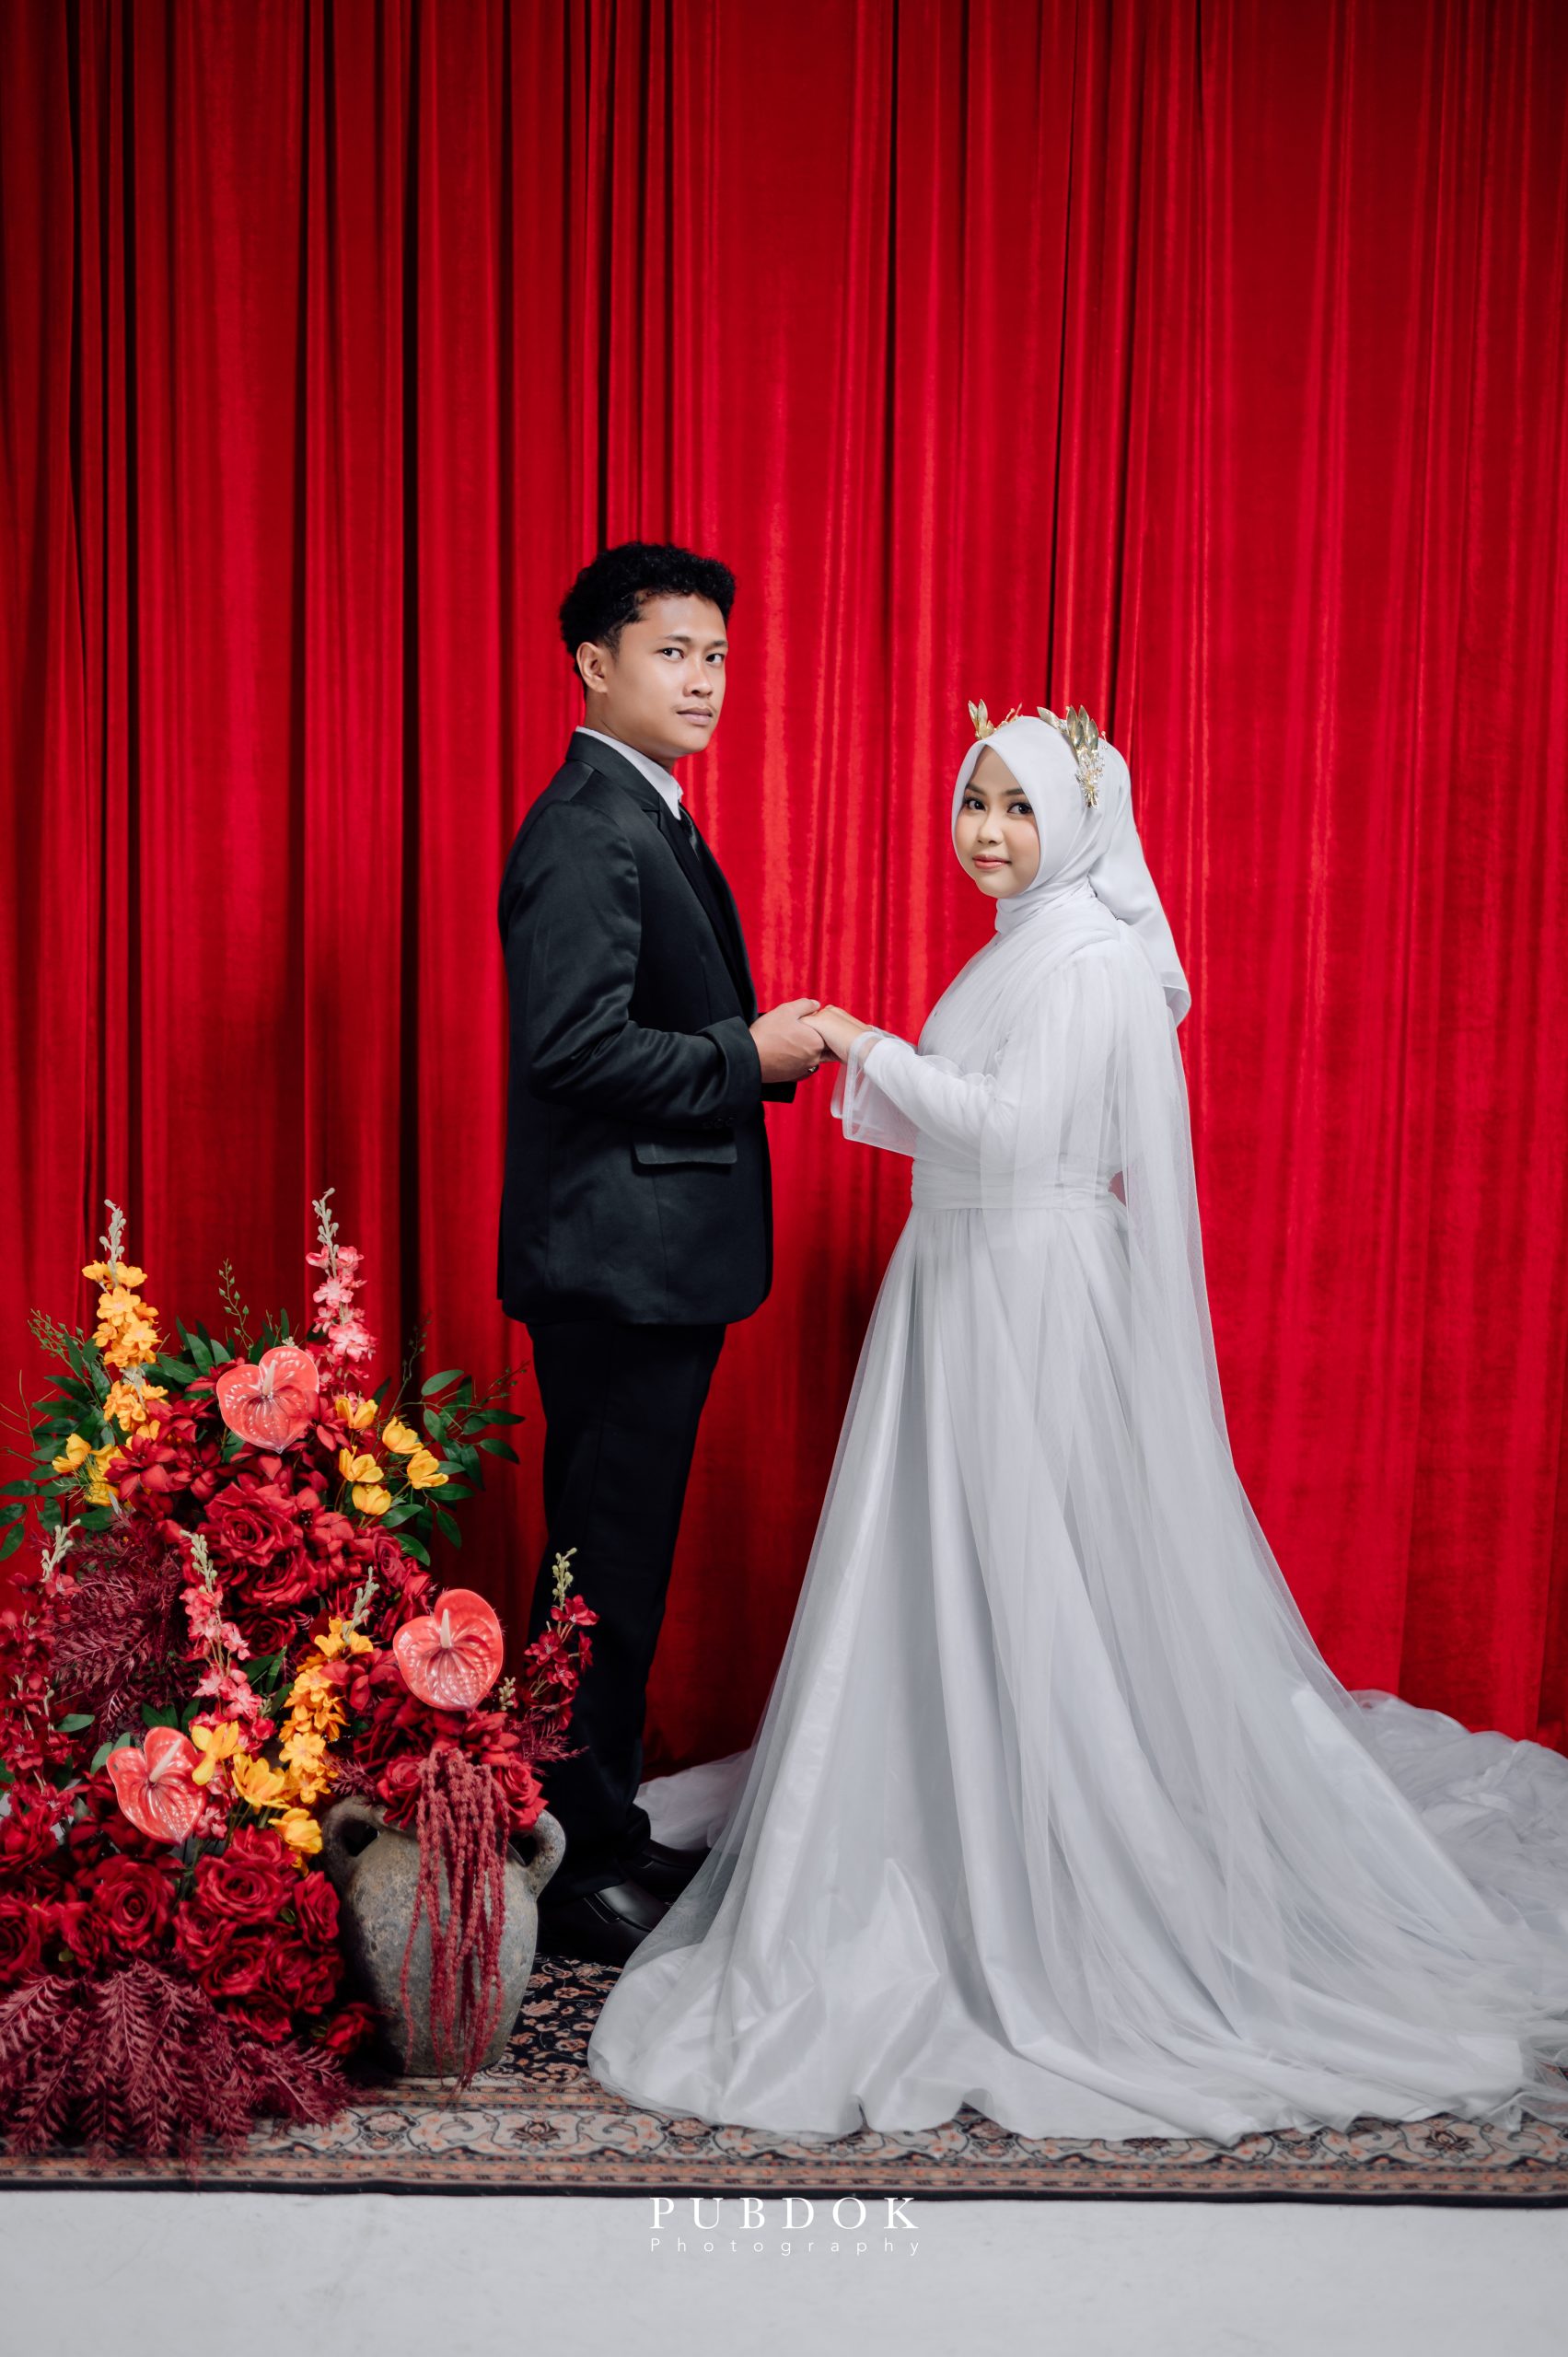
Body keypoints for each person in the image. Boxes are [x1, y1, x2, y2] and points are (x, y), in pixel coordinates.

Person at [585, 709, 1568, 2142]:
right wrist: (880, 1067)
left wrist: (854, 1038)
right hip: (964, 1278)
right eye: (973, 801)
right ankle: (955, 1812)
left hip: (1025, 1293)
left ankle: (1052, 1860)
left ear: (1080, 823)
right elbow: (975, 1122)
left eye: (1019, 807)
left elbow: (1012, 1130)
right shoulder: (1022, 944)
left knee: (1038, 1575)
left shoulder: (1089, 954)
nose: (987, 831)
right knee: (953, 1572)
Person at [496, 541, 825, 1965]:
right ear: (595, 663)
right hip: (614, 1268)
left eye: (717, 657)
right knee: (603, 1575)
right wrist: (746, 1054)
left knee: (615, 1569)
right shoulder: (588, 825)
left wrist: (747, 1053)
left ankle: (597, 1827)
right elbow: (572, 1049)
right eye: (672, 653)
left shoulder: (648, 809)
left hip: (645, 1260)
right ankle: (568, 1869)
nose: (703, 682)